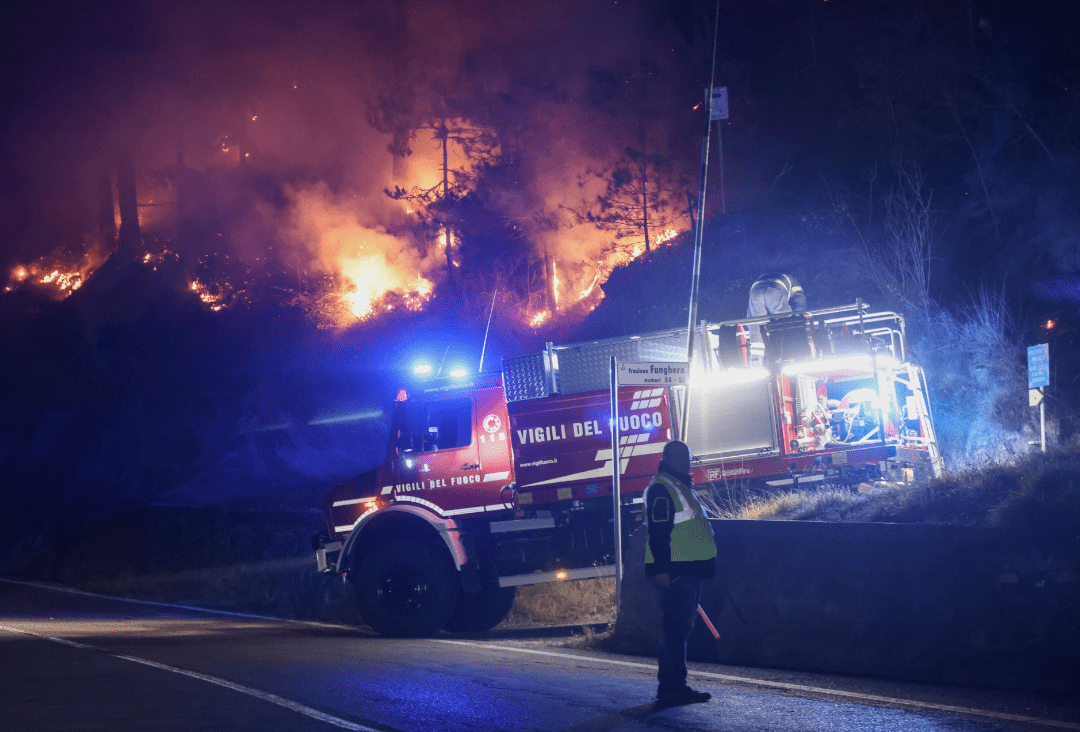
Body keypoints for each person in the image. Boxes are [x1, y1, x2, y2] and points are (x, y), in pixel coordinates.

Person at [645, 440, 717, 705]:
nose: (689, 461)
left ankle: (675, 687)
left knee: (678, 630)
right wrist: (663, 568)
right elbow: (658, 530)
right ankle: (671, 689)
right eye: (685, 456)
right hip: (677, 571)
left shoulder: (677, 485)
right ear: (672, 458)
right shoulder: (664, 487)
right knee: (676, 630)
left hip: (688, 568)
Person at [746, 272, 807, 366]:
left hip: (755, 291)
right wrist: (799, 316)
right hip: (774, 288)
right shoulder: (793, 280)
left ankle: (756, 360)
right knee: (786, 321)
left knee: (756, 323)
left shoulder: (767, 275)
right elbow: (800, 299)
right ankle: (790, 356)